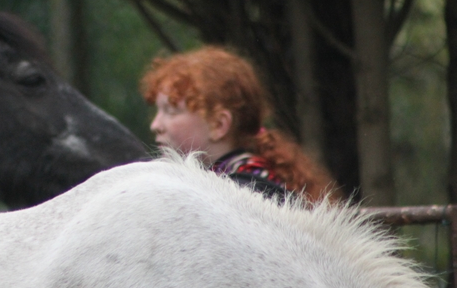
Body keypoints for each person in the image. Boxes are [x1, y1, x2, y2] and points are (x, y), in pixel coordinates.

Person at [141, 46, 336, 202]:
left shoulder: (251, 192)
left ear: (218, 125)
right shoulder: (232, 180)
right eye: (158, 111)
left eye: (171, 111)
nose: (155, 124)